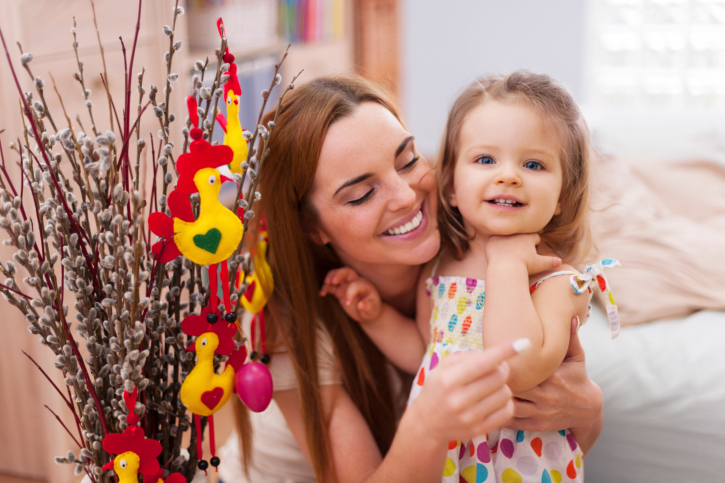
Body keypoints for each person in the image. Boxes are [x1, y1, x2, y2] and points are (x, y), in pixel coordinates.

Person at [219, 75, 605, 483]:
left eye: (407, 160)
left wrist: (590, 408)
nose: (406, 196)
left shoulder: (464, 247)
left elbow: (559, 443)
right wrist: (427, 422)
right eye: (360, 195)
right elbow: (428, 350)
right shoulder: (288, 324)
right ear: (312, 228)